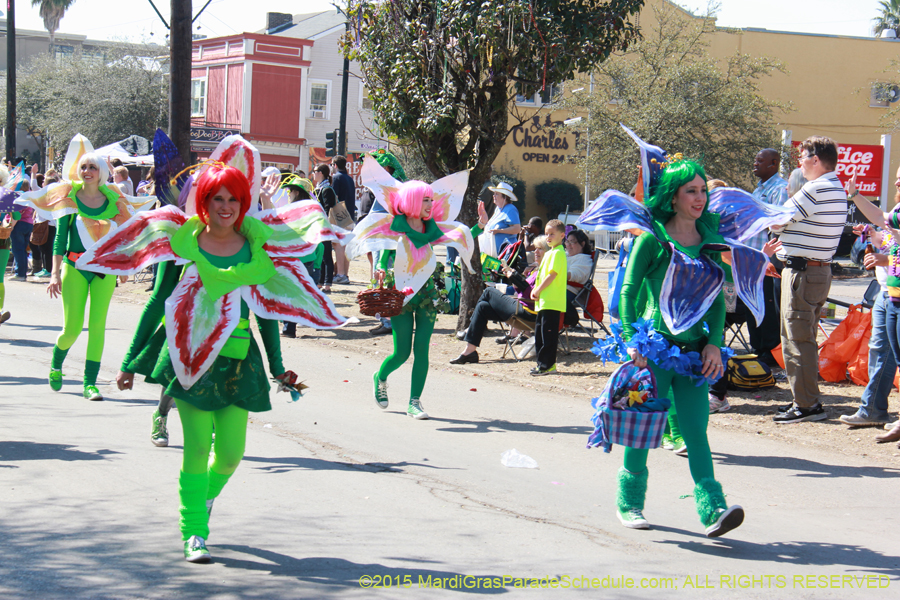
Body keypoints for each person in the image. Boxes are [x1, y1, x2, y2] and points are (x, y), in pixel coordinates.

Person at [95, 161, 345, 563]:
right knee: (196, 448)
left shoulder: (257, 250)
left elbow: (266, 313)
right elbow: (158, 303)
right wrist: (129, 362)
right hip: (190, 358)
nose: (225, 206)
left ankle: (203, 497)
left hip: (238, 362)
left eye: (233, 198)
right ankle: (193, 531)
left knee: (230, 454)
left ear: (243, 202)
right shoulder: (181, 247)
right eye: (217, 198)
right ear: (204, 202)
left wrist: (277, 367)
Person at [616, 158, 742, 537]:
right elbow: (628, 291)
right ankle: (629, 502)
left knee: (695, 431)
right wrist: (631, 339)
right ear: (672, 197)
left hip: (694, 355)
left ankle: (712, 509)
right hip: (652, 350)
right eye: (692, 191)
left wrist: (715, 345)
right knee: (643, 427)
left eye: (703, 190)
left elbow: (717, 299)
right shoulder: (651, 240)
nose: (700, 197)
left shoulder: (710, 241)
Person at [15, 141, 152, 401]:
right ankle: (57, 362)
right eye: (83, 167)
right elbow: (60, 239)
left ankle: (90, 383)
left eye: (92, 167)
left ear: (101, 171)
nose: (87, 171)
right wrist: (54, 273)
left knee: (97, 326)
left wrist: (123, 267)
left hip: (103, 270)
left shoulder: (114, 200)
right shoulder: (69, 197)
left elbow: (122, 237)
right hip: (74, 267)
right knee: (73, 329)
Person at [350, 157, 475, 420]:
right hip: (401, 294)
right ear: (413, 202)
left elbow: (457, 234)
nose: (431, 204)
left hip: (427, 292)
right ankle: (380, 376)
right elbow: (384, 251)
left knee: (422, 350)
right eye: (426, 200)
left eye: (431, 200)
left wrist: (481, 226)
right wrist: (380, 268)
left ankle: (414, 402)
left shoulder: (433, 229)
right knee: (401, 352)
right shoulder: (397, 227)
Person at [769, 136, 847, 424]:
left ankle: (807, 404)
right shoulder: (835, 187)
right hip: (815, 271)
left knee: (796, 338)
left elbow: (777, 220)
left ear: (816, 159)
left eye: (802, 157)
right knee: (803, 336)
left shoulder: (815, 189)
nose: (799, 163)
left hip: (802, 272)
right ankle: (804, 400)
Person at [842, 169, 900, 440]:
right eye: (897, 176)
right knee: (884, 352)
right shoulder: (898, 209)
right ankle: (874, 410)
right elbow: (881, 221)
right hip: (890, 292)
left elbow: (894, 252)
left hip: (893, 293)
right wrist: (854, 196)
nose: (897, 181)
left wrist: (887, 261)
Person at [450, 234, 547, 364]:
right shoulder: (535, 269)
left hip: (529, 312)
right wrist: (514, 277)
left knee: (489, 291)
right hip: (522, 308)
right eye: (535, 248)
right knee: (483, 306)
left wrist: (515, 277)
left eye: (540, 248)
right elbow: (521, 290)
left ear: (548, 252)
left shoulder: (547, 271)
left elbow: (533, 294)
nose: (535, 251)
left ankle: (469, 329)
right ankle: (469, 351)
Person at [530, 219, 567, 376]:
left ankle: (548, 365)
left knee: (548, 336)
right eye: (546, 234)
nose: (548, 237)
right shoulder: (550, 252)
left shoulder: (558, 253)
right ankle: (541, 364)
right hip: (544, 302)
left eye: (552, 234)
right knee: (540, 334)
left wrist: (538, 289)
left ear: (562, 235)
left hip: (552, 302)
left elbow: (552, 275)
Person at [331, 155, 356, 284]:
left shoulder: (336, 178)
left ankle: (340, 274)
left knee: (338, 245)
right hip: (349, 216)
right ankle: (345, 274)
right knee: (345, 246)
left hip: (339, 216)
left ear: (335, 165)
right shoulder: (349, 179)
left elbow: (332, 197)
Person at [312, 164, 336, 292]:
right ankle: (320, 282)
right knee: (320, 253)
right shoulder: (319, 188)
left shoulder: (326, 189)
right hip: (319, 225)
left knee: (327, 255)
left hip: (325, 226)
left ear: (321, 173)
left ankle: (327, 283)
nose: (313, 174)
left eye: (315, 171)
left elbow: (328, 209)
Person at [481, 181, 521, 255]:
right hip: (494, 253)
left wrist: (499, 231)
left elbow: (517, 229)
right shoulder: (497, 209)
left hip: (506, 253)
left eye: (497, 194)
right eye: (494, 193)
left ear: (504, 197)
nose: (494, 196)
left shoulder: (511, 209)